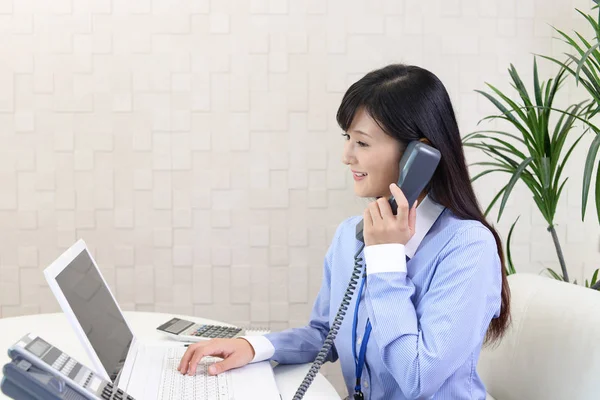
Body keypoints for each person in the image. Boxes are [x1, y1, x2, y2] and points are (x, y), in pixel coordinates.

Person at [178, 64, 511, 400]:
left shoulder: (467, 247)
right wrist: (253, 347)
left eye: (362, 143)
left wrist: (386, 262)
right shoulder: (350, 236)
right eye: (347, 139)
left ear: (418, 154)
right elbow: (325, 332)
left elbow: (418, 378)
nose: (346, 156)